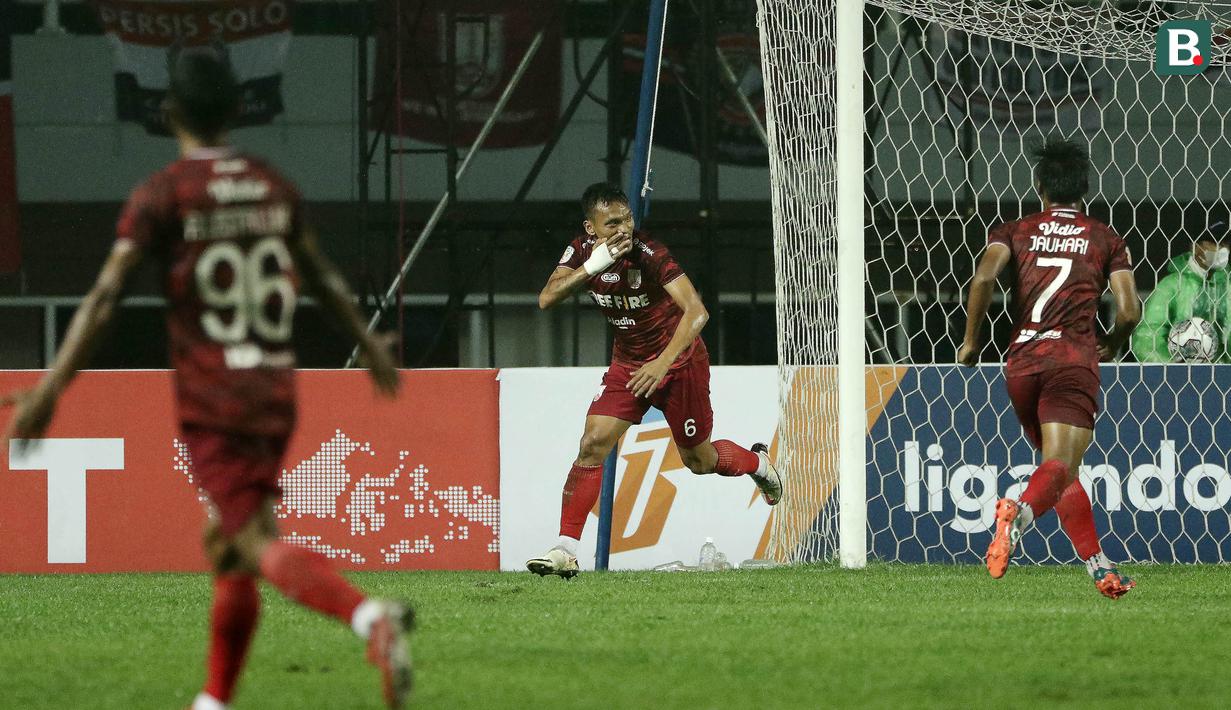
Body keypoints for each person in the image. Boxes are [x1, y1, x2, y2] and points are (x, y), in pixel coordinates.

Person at [0, 50, 413, 709]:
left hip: (213, 395)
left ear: (169, 114)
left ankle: (369, 619)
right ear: (237, 108)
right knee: (224, 542)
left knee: (250, 543)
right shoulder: (271, 185)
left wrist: (51, 387)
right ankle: (214, 700)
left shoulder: (164, 193)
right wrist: (368, 343)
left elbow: (107, 296)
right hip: (276, 389)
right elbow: (320, 274)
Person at [525, 183, 783, 578]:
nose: (623, 229)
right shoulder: (580, 252)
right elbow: (547, 298)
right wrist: (592, 266)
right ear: (590, 228)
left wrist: (662, 364)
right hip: (628, 365)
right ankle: (565, 548)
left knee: (699, 461)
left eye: (627, 219)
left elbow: (697, 313)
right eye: (611, 223)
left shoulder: (649, 253)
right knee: (592, 444)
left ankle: (758, 464)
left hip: (678, 366)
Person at [957, 138, 1141, 599]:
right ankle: (1016, 516)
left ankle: (1099, 566)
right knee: (1059, 465)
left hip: (1021, 364)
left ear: (1039, 186)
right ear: (1084, 190)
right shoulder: (1104, 237)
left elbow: (982, 278)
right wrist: (1112, 344)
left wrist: (970, 343)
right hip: (1071, 362)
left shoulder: (1015, 230)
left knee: (1059, 469)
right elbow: (1130, 310)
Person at [1131, 221, 1230, 362]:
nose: (1222, 250)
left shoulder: (1228, 286)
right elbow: (1148, 334)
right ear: (1195, 247)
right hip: (1177, 376)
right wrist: (1173, 368)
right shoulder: (1171, 285)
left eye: (1225, 244)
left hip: (1222, 376)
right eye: (1215, 243)